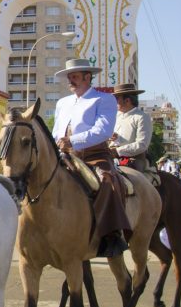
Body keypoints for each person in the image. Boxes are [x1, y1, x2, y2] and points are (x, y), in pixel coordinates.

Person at [51, 58, 131, 257]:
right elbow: (55, 131)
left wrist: (72, 141)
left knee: (107, 180)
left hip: (95, 155)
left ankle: (111, 234)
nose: (71, 81)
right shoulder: (62, 103)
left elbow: (103, 131)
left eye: (75, 77)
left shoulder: (104, 99)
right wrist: (57, 145)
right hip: (66, 155)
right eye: (69, 77)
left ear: (88, 77)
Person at [109, 83, 153, 176]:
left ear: (127, 100)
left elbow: (142, 144)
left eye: (117, 99)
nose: (115, 102)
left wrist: (117, 151)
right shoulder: (115, 116)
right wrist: (114, 138)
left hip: (133, 159)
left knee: (128, 179)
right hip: (111, 156)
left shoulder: (142, 117)